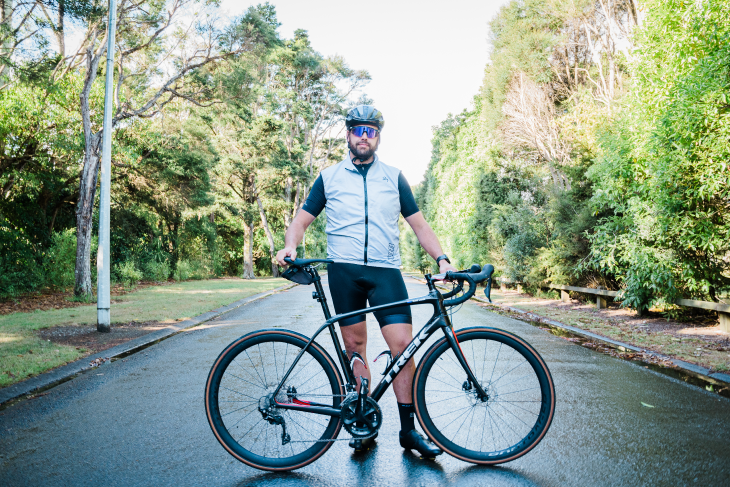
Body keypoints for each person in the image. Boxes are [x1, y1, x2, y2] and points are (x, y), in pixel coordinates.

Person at [276, 105, 457, 458]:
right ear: (347, 135)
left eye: (370, 131)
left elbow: (419, 225)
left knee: (404, 348)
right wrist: (289, 245)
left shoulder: (394, 176)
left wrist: (442, 258)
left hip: (385, 272)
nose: (364, 136)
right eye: (358, 130)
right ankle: (362, 426)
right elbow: (300, 221)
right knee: (355, 350)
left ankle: (409, 432)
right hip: (344, 273)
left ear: (378, 137)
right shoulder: (328, 177)